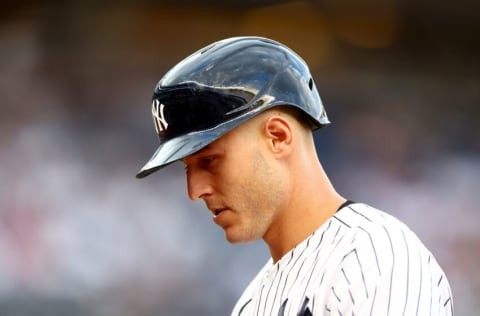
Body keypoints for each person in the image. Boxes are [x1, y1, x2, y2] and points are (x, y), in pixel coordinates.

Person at [136, 36, 453, 315]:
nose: (195, 190)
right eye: (187, 168)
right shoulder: (250, 303)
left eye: (210, 160)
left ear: (278, 137)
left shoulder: (374, 255)